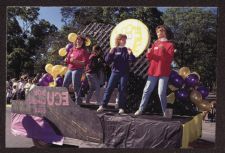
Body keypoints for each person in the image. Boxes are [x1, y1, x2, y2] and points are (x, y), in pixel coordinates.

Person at [134, 25, 175, 117]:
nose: (158, 34)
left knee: (161, 92)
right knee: (146, 90)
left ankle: (165, 112)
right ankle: (141, 109)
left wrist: (164, 50)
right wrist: (148, 53)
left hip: (163, 72)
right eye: (157, 32)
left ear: (164, 32)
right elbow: (150, 58)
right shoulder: (155, 43)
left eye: (159, 32)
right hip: (153, 71)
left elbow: (169, 60)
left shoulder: (170, 45)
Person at [97, 34, 136, 114]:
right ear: (118, 40)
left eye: (125, 39)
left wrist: (130, 54)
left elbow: (132, 60)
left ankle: (121, 108)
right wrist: (110, 53)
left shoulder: (127, 49)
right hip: (115, 72)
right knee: (109, 88)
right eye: (123, 39)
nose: (124, 41)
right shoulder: (114, 49)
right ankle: (103, 105)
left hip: (124, 73)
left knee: (122, 90)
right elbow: (107, 61)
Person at [63, 35, 90, 104]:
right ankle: (64, 101)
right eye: (77, 40)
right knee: (64, 85)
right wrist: (66, 59)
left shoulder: (84, 51)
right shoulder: (72, 49)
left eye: (80, 40)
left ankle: (78, 101)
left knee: (76, 86)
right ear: (75, 41)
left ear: (83, 42)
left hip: (78, 70)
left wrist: (75, 61)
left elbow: (84, 63)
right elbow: (68, 59)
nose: (78, 41)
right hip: (70, 69)